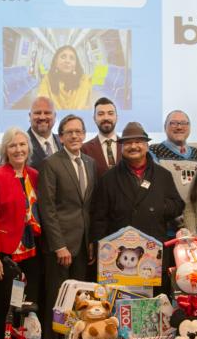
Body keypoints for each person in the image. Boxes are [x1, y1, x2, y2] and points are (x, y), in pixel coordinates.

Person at [92, 122, 184, 294]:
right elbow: (99, 218)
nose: (133, 146)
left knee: (154, 306)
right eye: (128, 142)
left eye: (138, 141)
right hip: (118, 257)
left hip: (153, 253)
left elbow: (178, 205)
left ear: (146, 144)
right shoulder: (108, 179)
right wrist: (100, 249)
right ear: (121, 147)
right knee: (121, 305)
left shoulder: (163, 175)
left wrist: (158, 207)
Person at [0, 128, 44, 339]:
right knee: (4, 307)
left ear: (29, 148)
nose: (18, 149)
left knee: (28, 306)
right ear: (5, 150)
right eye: (13, 145)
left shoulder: (35, 176)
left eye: (22, 145)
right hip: (6, 254)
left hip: (33, 252)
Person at [39, 115, 96, 322]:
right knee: (58, 301)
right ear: (61, 138)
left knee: (79, 300)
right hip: (60, 247)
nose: (74, 136)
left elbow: (88, 207)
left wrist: (90, 241)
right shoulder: (51, 164)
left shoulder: (90, 163)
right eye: (69, 132)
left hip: (82, 246)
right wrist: (59, 245)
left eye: (78, 131)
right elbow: (48, 208)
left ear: (84, 135)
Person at [36, 45, 93, 110]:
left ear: (75, 64)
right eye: (63, 57)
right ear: (56, 62)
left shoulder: (85, 81)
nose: (67, 61)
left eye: (72, 58)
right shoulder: (47, 81)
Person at [81, 97, 119, 180]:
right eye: (101, 114)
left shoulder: (127, 145)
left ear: (117, 117)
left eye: (110, 113)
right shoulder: (84, 149)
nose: (106, 117)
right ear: (94, 118)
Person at [27, 96, 61, 170]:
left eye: (47, 113)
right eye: (37, 113)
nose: (42, 117)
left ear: (55, 116)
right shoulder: (21, 144)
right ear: (30, 116)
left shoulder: (63, 142)